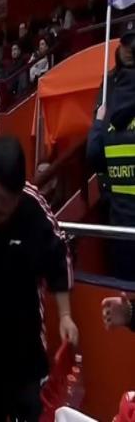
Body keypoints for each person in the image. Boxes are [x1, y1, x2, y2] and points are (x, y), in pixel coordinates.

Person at [0, 135, 78, 422]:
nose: (4, 211)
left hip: (25, 349)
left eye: (11, 203)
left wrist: (66, 316)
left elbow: (59, 255)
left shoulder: (32, 206)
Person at [86, 30, 135, 281]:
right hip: (118, 217)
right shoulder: (108, 86)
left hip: (120, 224)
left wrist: (98, 122)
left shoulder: (109, 99)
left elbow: (94, 153)